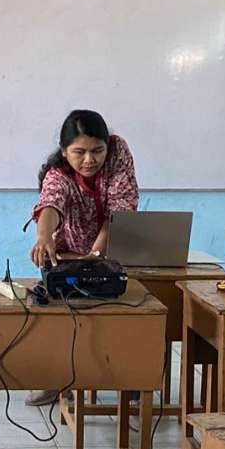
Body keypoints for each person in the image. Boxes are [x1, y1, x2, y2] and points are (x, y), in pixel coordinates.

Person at [25, 109, 139, 405]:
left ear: (107, 146)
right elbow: (50, 203)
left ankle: (137, 383)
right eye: (79, 152)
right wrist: (43, 238)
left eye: (97, 151)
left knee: (128, 314)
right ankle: (57, 378)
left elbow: (120, 208)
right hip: (70, 251)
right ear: (64, 152)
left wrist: (97, 254)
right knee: (63, 313)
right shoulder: (58, 173)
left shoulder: (118, 152)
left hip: (114, 246)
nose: (89, 160)